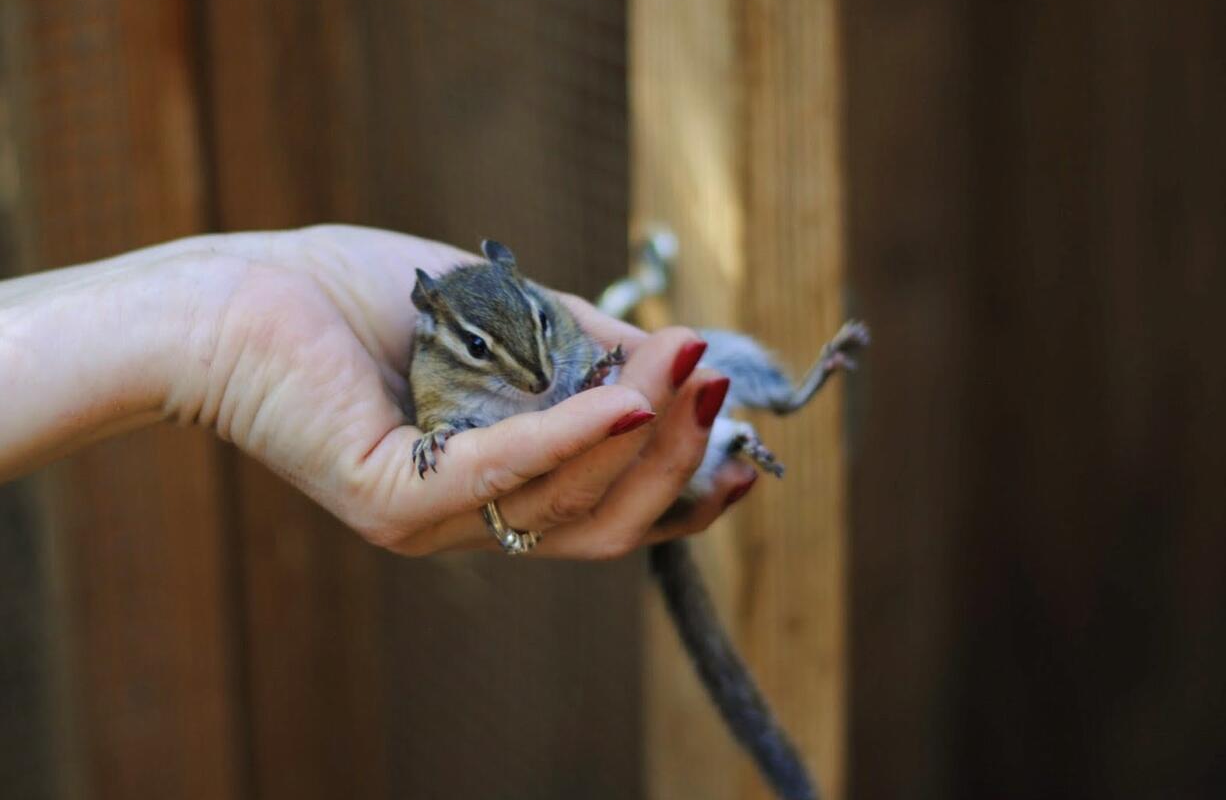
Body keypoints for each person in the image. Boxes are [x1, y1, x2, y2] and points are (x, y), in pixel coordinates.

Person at [0, 225, 756, 558]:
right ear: (434, 328)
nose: (524, 369)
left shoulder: (532, 318)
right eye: (481, 349)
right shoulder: (434, 365)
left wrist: (228, 298)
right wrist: (215, 326)